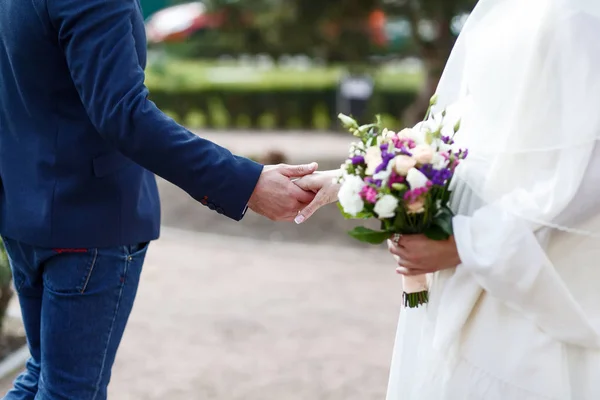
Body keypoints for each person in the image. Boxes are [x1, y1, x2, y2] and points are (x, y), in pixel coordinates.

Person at [0, 0, 317, 398]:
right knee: (65, 389)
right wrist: (246, 184)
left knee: (41, 374)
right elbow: (124, 114)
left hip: (25, 212)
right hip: (86, 223)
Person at [295, 0, 600, 398]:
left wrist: (468, 245)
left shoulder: (578, 15)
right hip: (469, 268)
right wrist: (354, 177)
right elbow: (458, 127)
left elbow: (587, 175)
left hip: (532, 273)